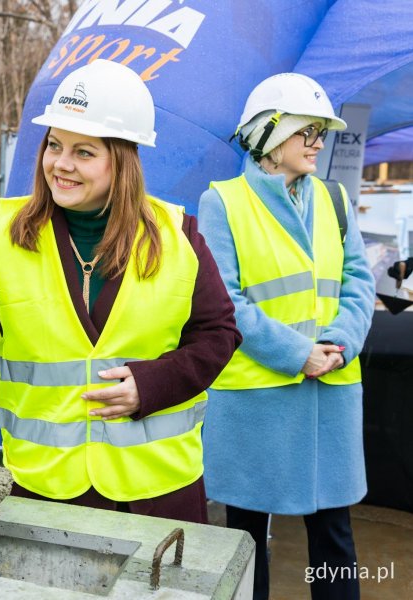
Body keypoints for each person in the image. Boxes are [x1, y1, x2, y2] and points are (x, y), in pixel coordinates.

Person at [0, 59, 241, 523]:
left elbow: (218, 335)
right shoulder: (10, 238)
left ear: (123, 161)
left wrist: (152, 384)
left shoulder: (179, 237)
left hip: (158, 494)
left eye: (84, 152)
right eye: (54, 145)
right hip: (44, 492)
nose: (60, 165)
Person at [198, 73, 375, 600]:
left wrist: (339, 345)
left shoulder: (336, 201)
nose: (319, 143)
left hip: (330, 397)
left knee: (334, 539)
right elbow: (224, 302)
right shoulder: (222, 203)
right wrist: (299, 355)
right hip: (257, 402)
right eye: (308, 131)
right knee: (246, 542)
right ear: (270, 135)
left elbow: (359, 284)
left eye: (322, 132)